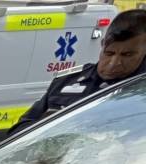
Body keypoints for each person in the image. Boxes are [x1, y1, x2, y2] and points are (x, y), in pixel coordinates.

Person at [12, 9, 146, 134]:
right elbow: (18, 132)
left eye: (127, 55)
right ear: (102, 45)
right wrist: (45, 127)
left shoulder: (141, 90)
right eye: (109, 53)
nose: (114, 63)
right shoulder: (66, 80)